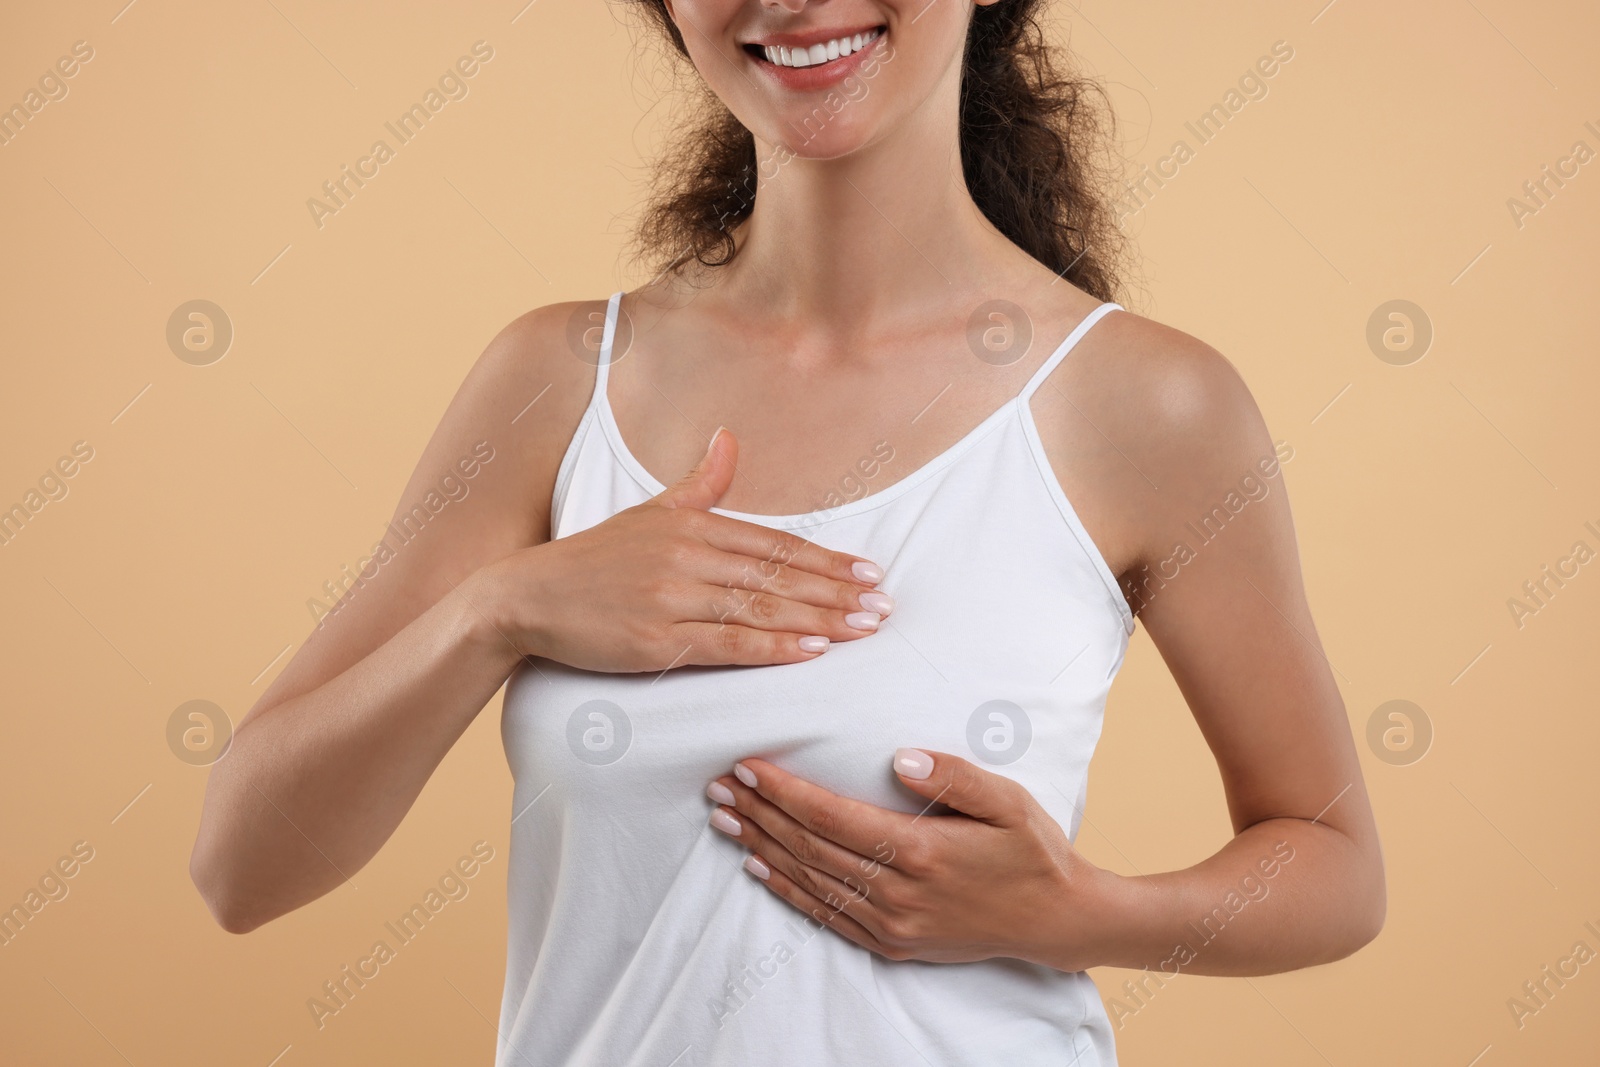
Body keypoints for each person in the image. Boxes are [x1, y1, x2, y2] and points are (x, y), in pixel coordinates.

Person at [190, 1, 1386, 1063]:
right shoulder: (557, 381)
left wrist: (1080, 910)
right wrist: (500, 611)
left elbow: (1332, 864)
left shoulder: (1141, 404)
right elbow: (240, 863)